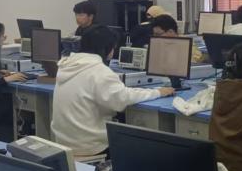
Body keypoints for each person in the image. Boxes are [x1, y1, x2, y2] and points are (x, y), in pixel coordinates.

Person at [52, 25, 174, 161]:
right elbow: (122, 99)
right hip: (92, 146)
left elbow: (118, 93)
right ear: (108, 49)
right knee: (144, 148)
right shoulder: (99, 71)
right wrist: (157, 92)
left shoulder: (66, 66)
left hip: (64, 143)